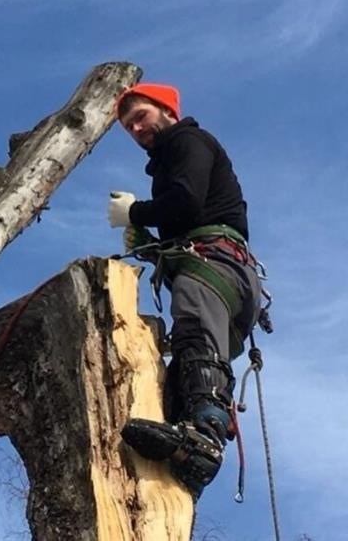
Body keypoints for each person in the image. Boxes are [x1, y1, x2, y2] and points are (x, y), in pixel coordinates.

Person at [107, 83, 263, 500]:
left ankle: (204, 434)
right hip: (222, 270)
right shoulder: (172, 157)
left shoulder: (187, 140)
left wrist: (135, 212)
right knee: (186, 363)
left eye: (140, 116)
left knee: (194, 333)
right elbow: (189, 210)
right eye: (128, 127)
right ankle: (183, 447)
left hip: (212, 265)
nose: (136, 128)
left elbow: (187, 203)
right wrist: (148, 238)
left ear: (167, 110)